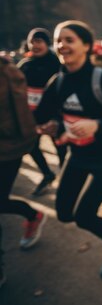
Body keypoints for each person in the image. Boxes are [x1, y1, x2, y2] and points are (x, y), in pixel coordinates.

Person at [34, 20, 102, 279]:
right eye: (58, 40)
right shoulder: (58, 82)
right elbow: (44, 114)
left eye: (69, 40)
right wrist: (54, 125)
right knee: (63, 213)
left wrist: (98, 125)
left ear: (86, 46)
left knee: (84, 216)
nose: (62, 45)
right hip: (78, 155)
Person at [0, 55, 47, 279]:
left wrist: (27, 142)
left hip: (8, 149)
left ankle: (31, 214)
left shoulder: (8, 72)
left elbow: (22, 112)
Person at [17, 28, 67, 195]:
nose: (35, 45)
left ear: (47, 43)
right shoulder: (25, 65)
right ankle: (47, 174)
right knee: (31, 146)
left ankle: (66, 180)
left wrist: (58, 117)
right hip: (32, 117)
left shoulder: (57, 64)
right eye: (32, 42)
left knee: (61, 148)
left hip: (54, 116)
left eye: (39, 41)